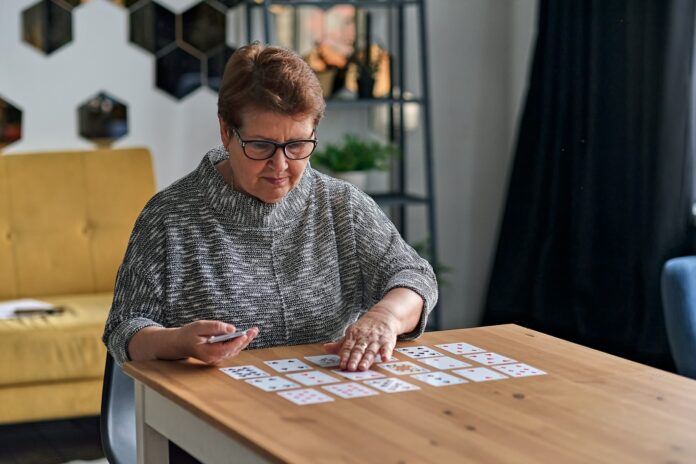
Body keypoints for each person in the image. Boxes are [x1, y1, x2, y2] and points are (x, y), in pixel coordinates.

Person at [102, 43, 437, 373]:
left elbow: (414, 277)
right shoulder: (169, 217)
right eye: (261, 146)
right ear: (225, 131)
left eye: (297, 145)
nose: (280, 166)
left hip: (330, 404)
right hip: (210, 412)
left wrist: (385, 319)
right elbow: (124, 329)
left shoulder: (341, 206)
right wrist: (176, 343)